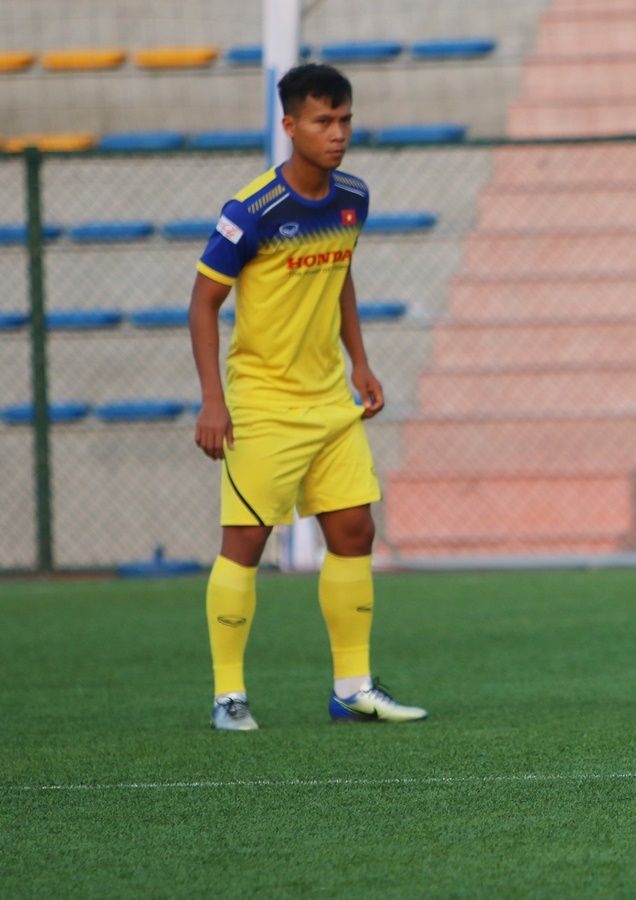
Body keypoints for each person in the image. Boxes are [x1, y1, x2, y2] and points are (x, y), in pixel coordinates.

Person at [188, 63, 427, 731]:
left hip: (328, 401)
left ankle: (352, 688)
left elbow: (340, 273)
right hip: (262, 403)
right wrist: (213, 400)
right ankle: (228, 695)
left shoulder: (353, 197)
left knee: (354, 531)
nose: (338, 133)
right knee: (245, 542)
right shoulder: (251, 211)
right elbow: (203, 303)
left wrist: (361, 362)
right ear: (290, 125)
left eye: (345, 119)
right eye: (323, 121)